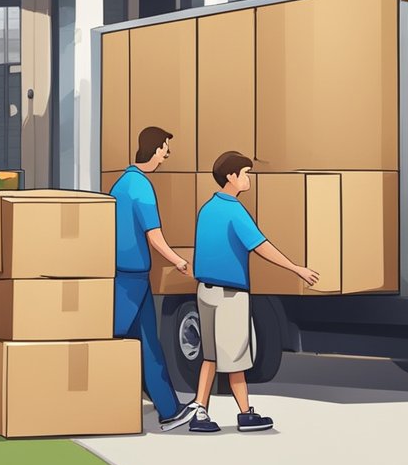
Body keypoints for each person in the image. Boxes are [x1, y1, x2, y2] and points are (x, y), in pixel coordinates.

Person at [188, 151, 319, 434]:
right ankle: (246, 415)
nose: (249, 178)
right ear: (231, 177)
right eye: (245, 173)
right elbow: (261, 246)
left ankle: (200, 410)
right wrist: (296, 268)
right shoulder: (234, 210)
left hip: (205, 292)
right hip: (230, 294)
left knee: (210, 357)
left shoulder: (208, 208)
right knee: (236, 359)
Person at [109, 126, 200, 432]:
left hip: (128, 273)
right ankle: (104, 403)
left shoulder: (121, 184)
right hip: (130, 277)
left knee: (148, 344)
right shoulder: (140, 187)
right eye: (164, 148)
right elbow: (154, 234)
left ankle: (169, 410)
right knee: (114, 339)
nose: (167, 154)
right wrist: (177, 261)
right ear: (154, 148)